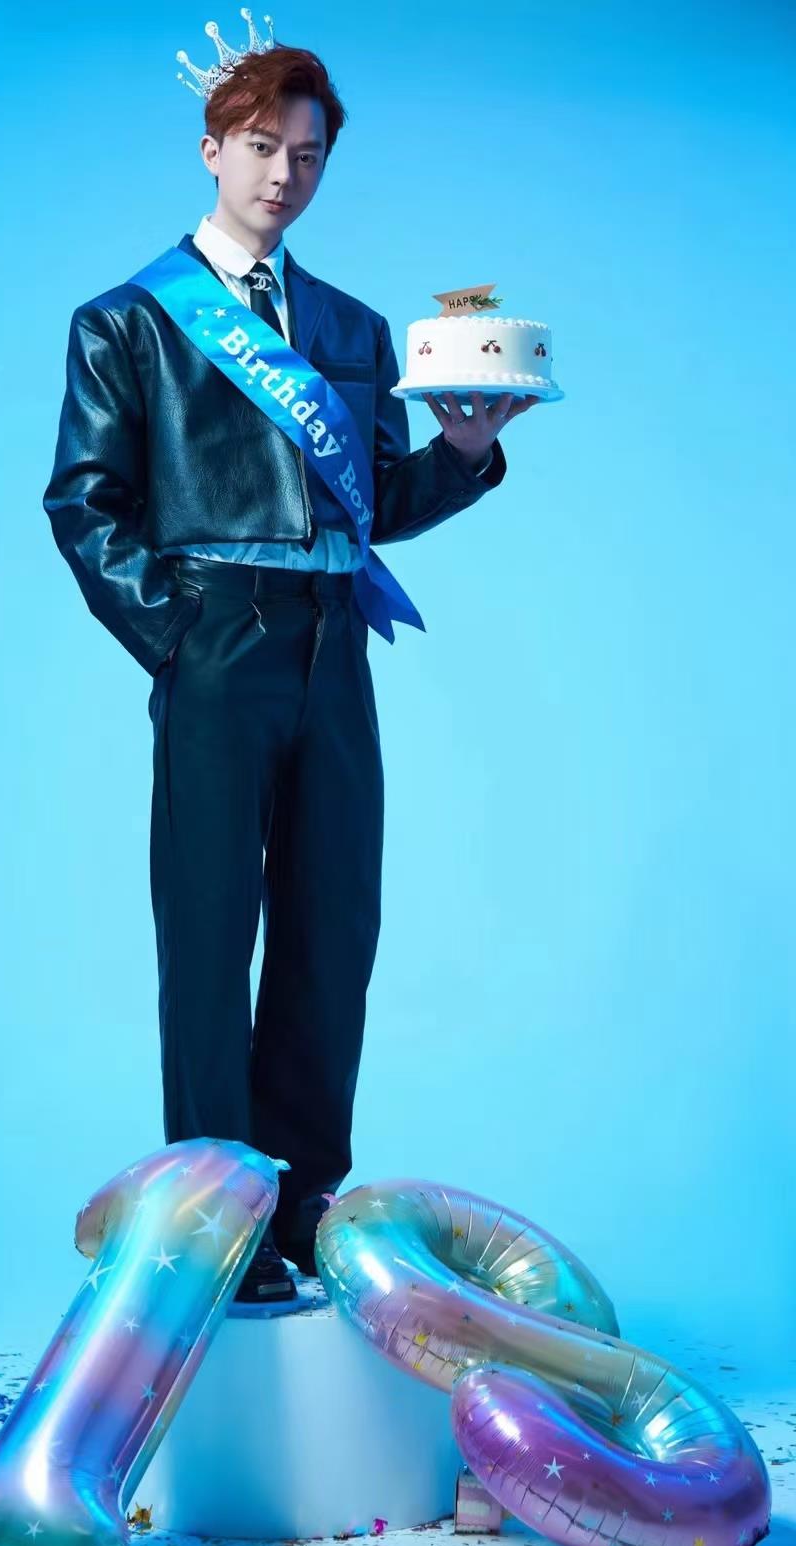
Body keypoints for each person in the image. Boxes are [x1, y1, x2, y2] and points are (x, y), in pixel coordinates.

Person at [42, 27, 541, 1307]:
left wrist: (465, 454)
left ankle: (306, 1205)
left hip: (334, 644)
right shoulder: (129, 323)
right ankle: (221, 1224)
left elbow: (374, 501)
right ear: (212, 149)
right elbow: (84, 503)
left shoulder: (355, 329)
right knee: (210, 936)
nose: (284, 175)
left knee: (333, 928)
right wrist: (174, 636)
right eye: (263, 147)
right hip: (214, 638)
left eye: (308, 155)